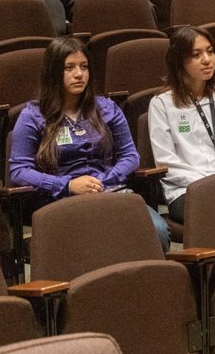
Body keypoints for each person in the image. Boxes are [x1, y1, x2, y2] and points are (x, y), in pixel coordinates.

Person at [9, 36, 170, 252]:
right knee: (95, 239)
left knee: (157, 231)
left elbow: (131, 156)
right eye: (69, 68)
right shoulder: (33, 116)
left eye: (84, 67)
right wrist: (67, 185)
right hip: (59, 199)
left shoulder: (107, 109)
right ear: (53, 72)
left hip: (110, 190)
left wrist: (102, 181)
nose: (79, 74)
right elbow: (19, 171)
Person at [147, 25, 215, 224]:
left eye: (210, 52)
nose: (207, 60)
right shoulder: (162, 103)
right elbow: (166, 163)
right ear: (178, 60)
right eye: (196, 54)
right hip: (187, 191)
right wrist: (209, 184)